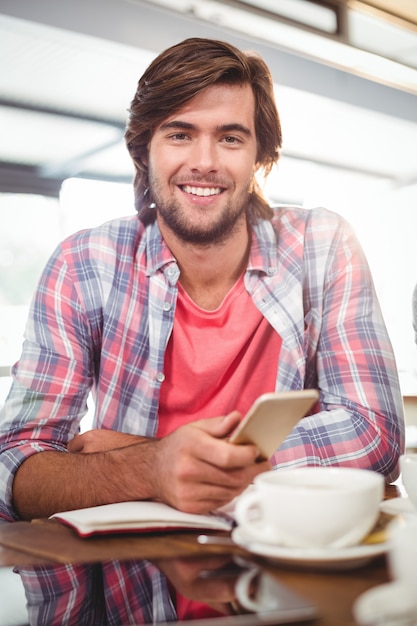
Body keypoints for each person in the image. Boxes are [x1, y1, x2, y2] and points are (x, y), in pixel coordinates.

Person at [0, 37, 405, 523]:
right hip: (133, 578)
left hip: (287, 558)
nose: (206, 161)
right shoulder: (83, 264)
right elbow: (15, 465)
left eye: (230, 137)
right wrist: (152, 468)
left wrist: (156, 455)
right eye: (179, 134)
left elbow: (374, 432)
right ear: (143, 151)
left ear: (259, 155)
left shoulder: (323, 245)